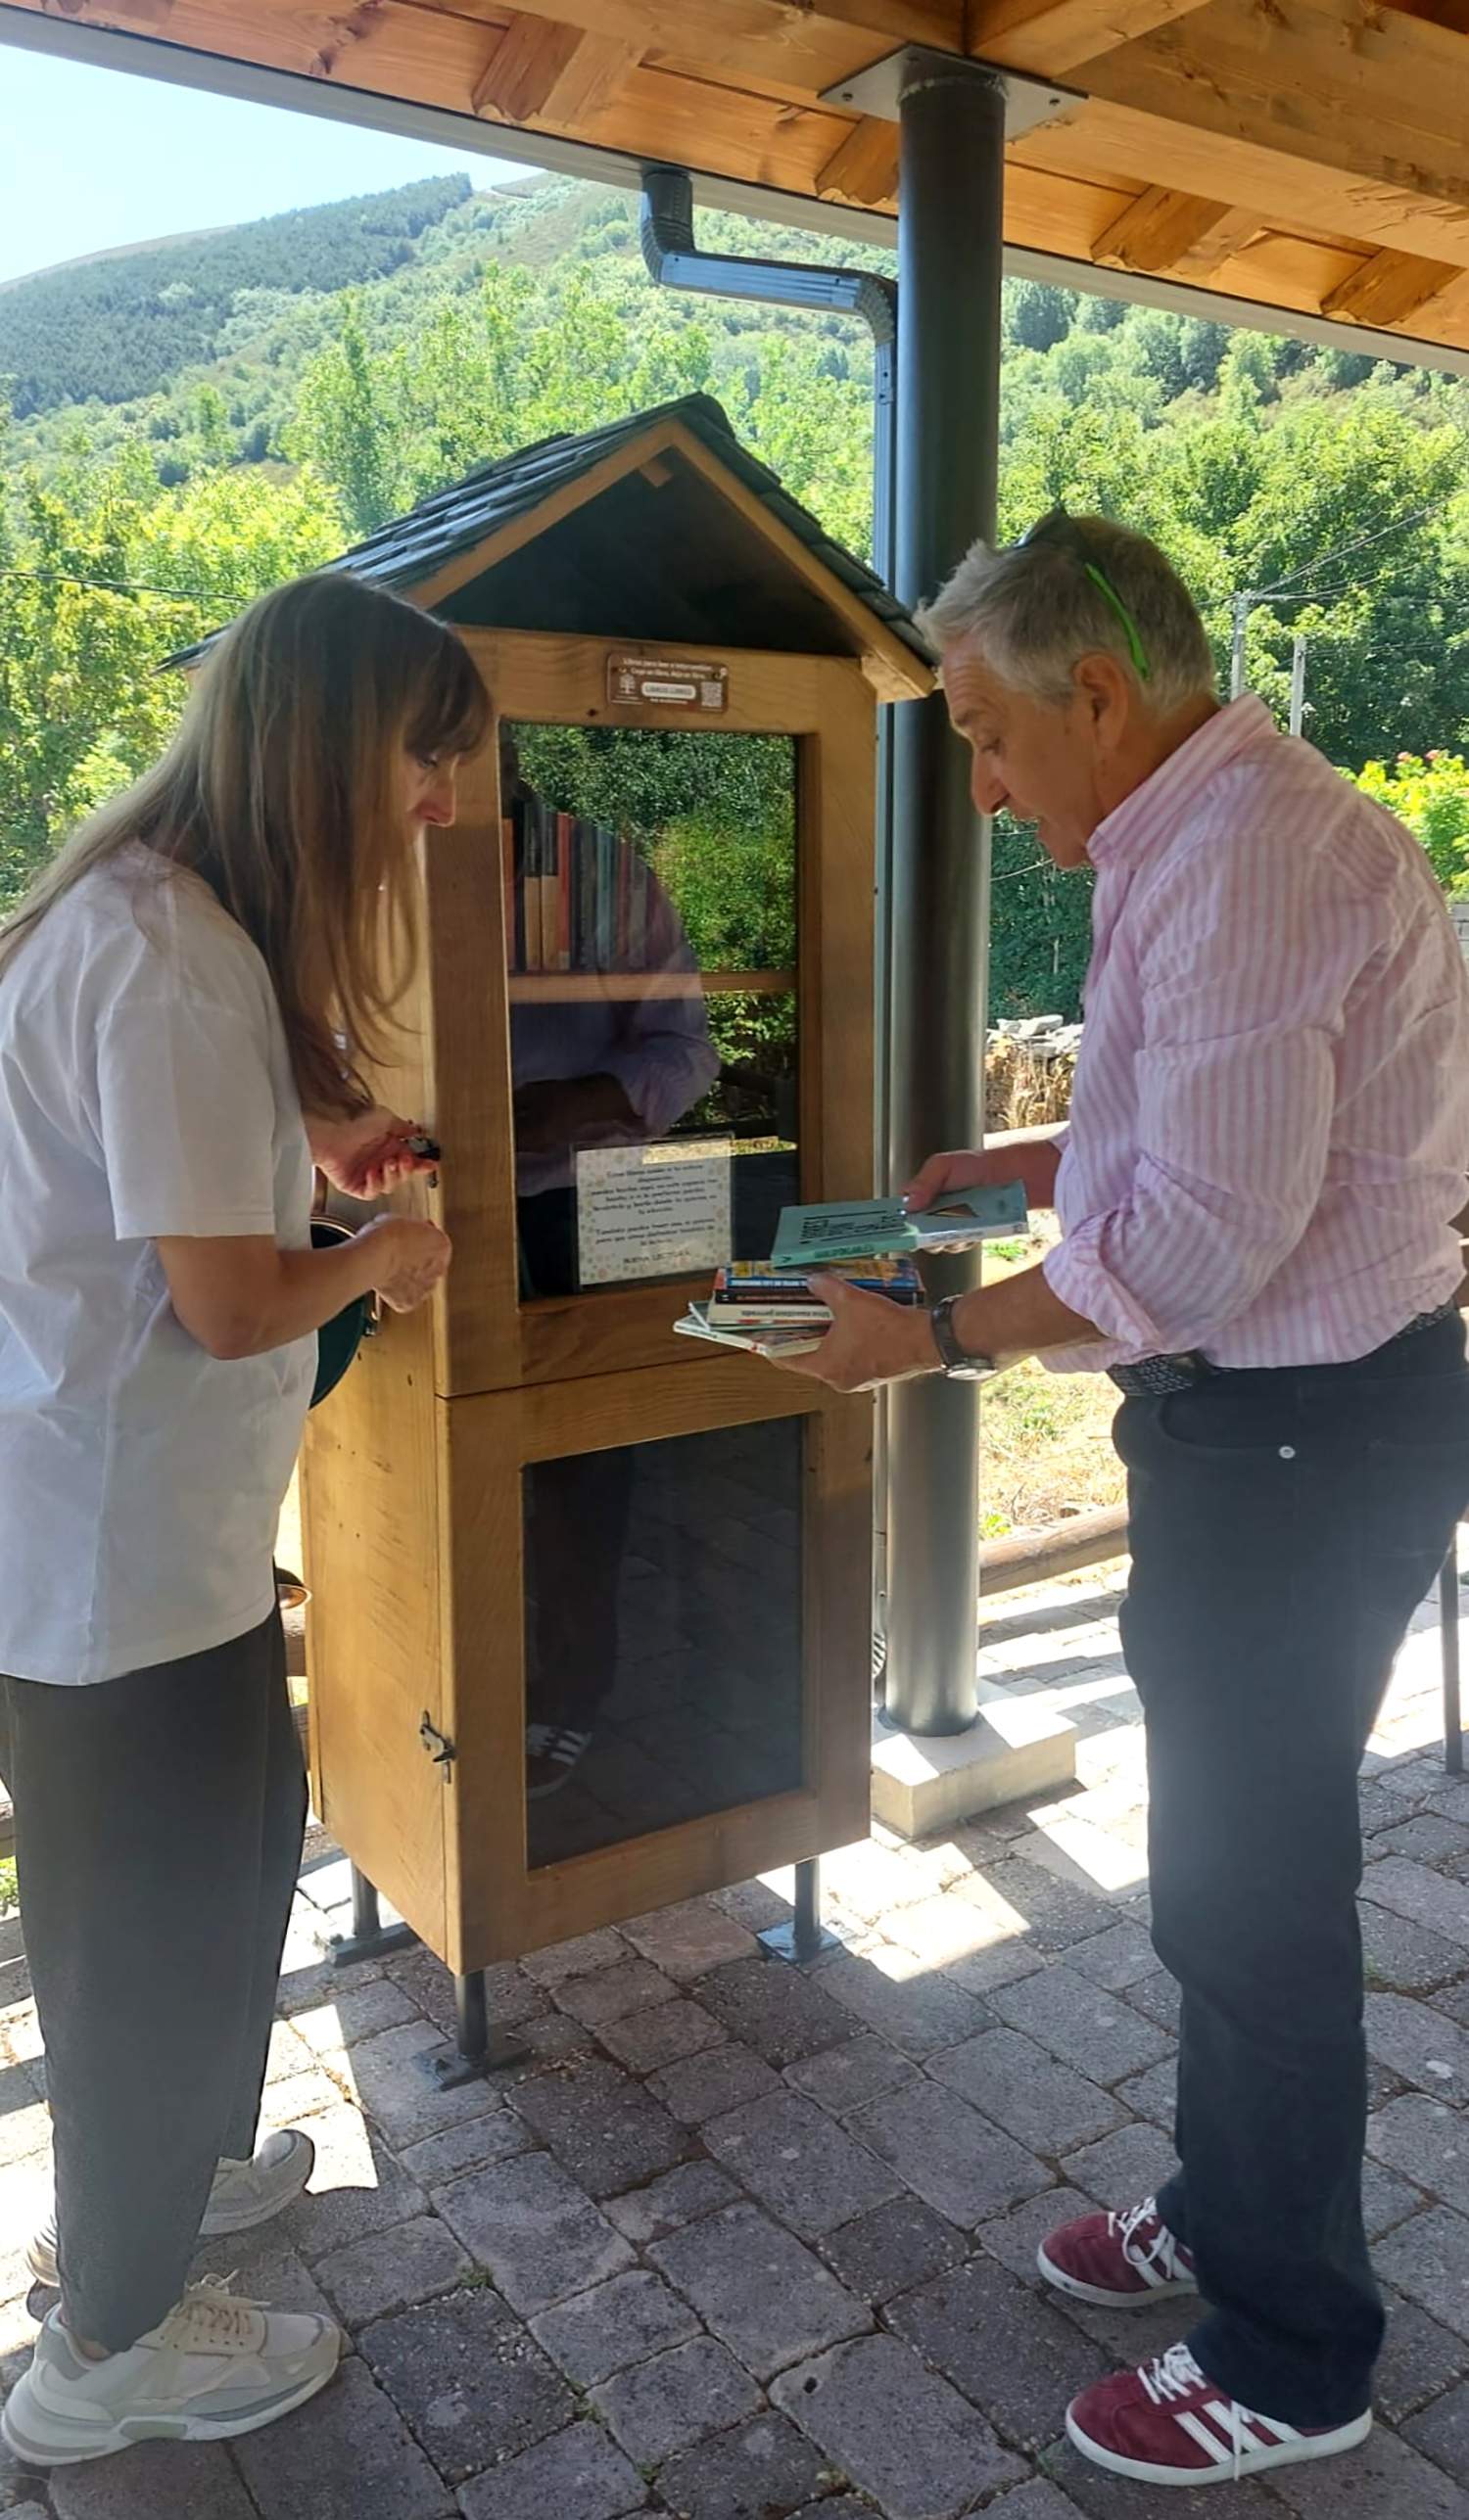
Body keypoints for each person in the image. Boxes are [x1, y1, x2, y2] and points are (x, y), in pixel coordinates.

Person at [780, 512, 1469, 2489]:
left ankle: (1293, 2346)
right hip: (1279, 1439)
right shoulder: (1198, 834)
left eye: (988, 735)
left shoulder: (1250, 856)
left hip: (1296, 1439)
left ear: (1096, 691)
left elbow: (1197, 1251)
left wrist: (913, 1337)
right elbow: (1190, 1129)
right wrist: (1016, 1157)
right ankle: (1225, 2202)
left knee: (1257, 1899)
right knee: (1222, 1873)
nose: (982, 786)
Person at [0, 570, 486, 2468]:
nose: (442, 804)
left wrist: (317, 1154)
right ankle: (106, 2355)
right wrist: (386, 1245)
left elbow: (174, 1193)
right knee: (147, 1934)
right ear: (332, 749)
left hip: (127, 1552)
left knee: (208, 1886)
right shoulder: (180, 953)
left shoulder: (147, 918)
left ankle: (175, 2195)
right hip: (117, 1572)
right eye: (429, 760)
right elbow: (222, 1302)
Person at [502, 734, 718, 1802]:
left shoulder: (601, 871)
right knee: (446, 1460)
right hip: (409, 1206)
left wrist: (570, 1103)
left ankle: (570, 1699)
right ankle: (461, 1688)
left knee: (582, 1472)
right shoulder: (368, 862)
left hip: (577, 1206)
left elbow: (688, 1050)